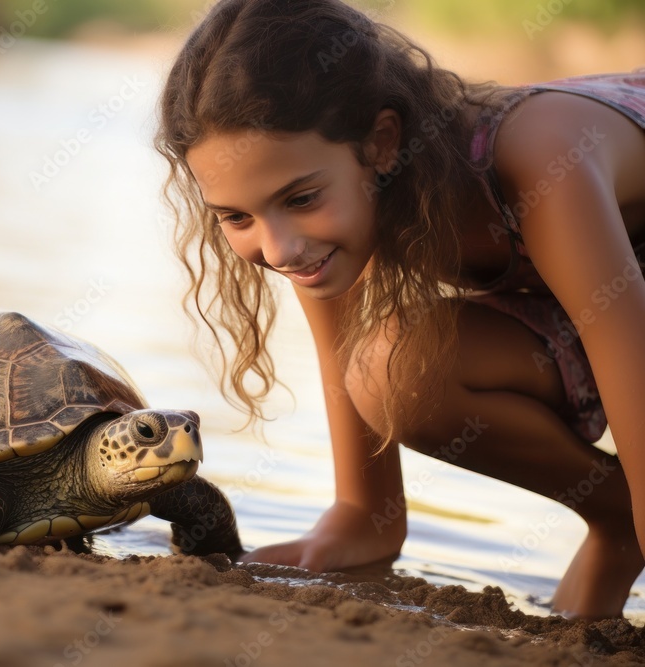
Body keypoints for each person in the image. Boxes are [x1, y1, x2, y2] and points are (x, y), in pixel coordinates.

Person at [154, 0, 645, 619]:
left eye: (300, 198)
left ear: (382, 141)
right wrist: (362, 516)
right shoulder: (329, 221)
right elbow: (352, 365)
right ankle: (615, 516)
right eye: (237, 217)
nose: (279, 248)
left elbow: (632, 360)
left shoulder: (539, 160)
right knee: (397, 370)